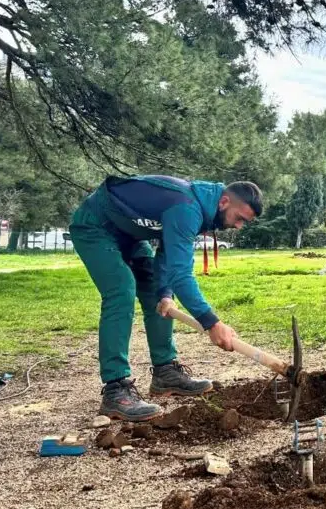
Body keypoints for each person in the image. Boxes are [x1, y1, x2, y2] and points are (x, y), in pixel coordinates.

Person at [69, 175, 263, 421]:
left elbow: (167, 253)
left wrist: (165, 293)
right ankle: (115, 389)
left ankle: (165, 372)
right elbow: (181, 275)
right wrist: (212, 323)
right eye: (239, 219)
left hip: (129, 235)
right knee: (121, 289)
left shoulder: (205, 210)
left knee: (155, 293)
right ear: (225, 202)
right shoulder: (187, 207)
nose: (238, 226)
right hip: (95, 226)